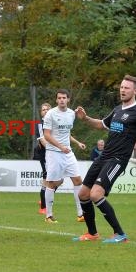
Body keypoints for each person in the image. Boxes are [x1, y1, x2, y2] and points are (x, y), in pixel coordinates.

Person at [74, 74, 136, 243]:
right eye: (121, 87)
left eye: (126, 88)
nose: (122, 90)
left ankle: (120, 234)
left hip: (118, 159)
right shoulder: (117, 110)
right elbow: (101, 125)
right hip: (104, 156)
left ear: (134, 91)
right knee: (83, 194)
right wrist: (85, 118)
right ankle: (92, 234)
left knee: (96, 194)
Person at [42, 89, 87, 224]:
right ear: (56, 100)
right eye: (59, 98)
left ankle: (81, 214)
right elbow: (47, 135)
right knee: (52, 183)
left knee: (78, 180)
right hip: (54, 153)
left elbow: (66, 133)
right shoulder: (50, 114)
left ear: (68, 99)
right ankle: (48, 215)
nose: (62, 100)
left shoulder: (71, 114)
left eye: (64, 98)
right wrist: (60, 147)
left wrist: (77, 143)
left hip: (68, 153)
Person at [33, 102, 51, 215]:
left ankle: (44, 198)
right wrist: (54, 149)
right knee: (47, 179)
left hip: (54, 154)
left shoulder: (54, 123)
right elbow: (42, 141)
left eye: (47, 109)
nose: (45, 111)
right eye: (43, 110)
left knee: (58, 180)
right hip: (45, 155)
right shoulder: (40, 124)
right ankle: (43, 207)